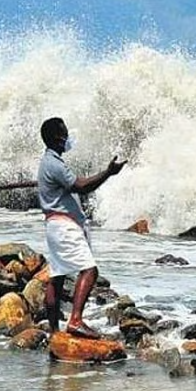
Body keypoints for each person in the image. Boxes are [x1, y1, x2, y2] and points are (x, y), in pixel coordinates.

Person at [38, 117, 127, 338]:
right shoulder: (54, 164)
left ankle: (53, 332)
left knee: (57, 277)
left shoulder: (48, 162)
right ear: (58, 138)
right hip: (64, 226)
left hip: (55, 226)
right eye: (65, 133)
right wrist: (108, 173)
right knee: (89, 270)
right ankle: (75, 321)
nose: (68, 137)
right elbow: (82, 186)